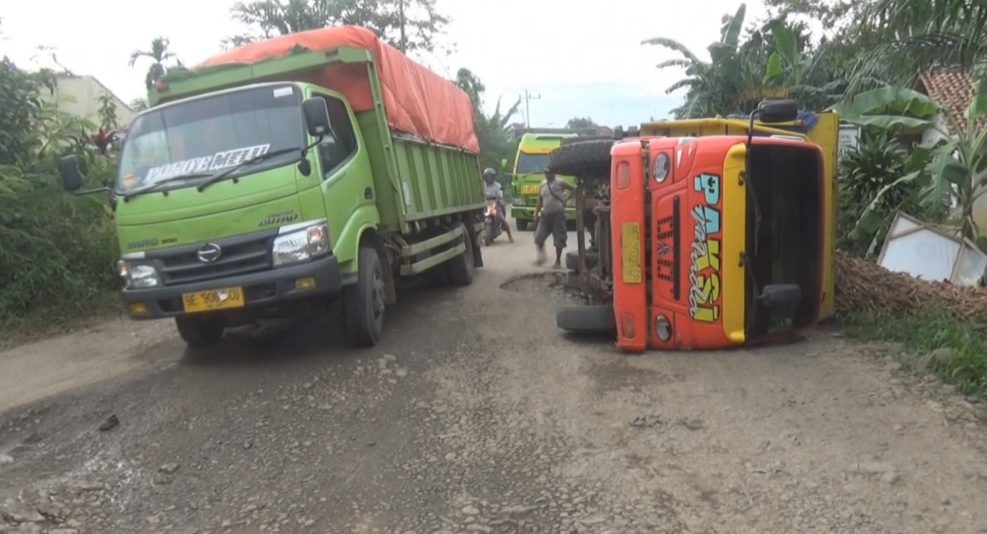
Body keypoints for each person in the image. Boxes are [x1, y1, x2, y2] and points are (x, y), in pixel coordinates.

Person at [533, 171, 575, 268]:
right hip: (546, 215)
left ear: (554, 173)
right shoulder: (543, 184)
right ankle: (541, 257)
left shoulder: (560, 182)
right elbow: (540, 199)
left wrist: (566, 199)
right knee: (539, 237)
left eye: (549, 173)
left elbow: (573, 189)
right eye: (546, 173)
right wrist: (536, 212)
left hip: (558, 215)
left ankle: (558, 261)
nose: (547, 175)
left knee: (559, 239)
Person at [483, 167, 514, 243]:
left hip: (495, 206)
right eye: (488, 176)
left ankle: (510, 236)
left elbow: (500, 195)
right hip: (485, 206)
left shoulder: (497, 185)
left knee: (503, 220)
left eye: (491, 176)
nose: (489, 178)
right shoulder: (482, 185)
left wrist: (499, 198)